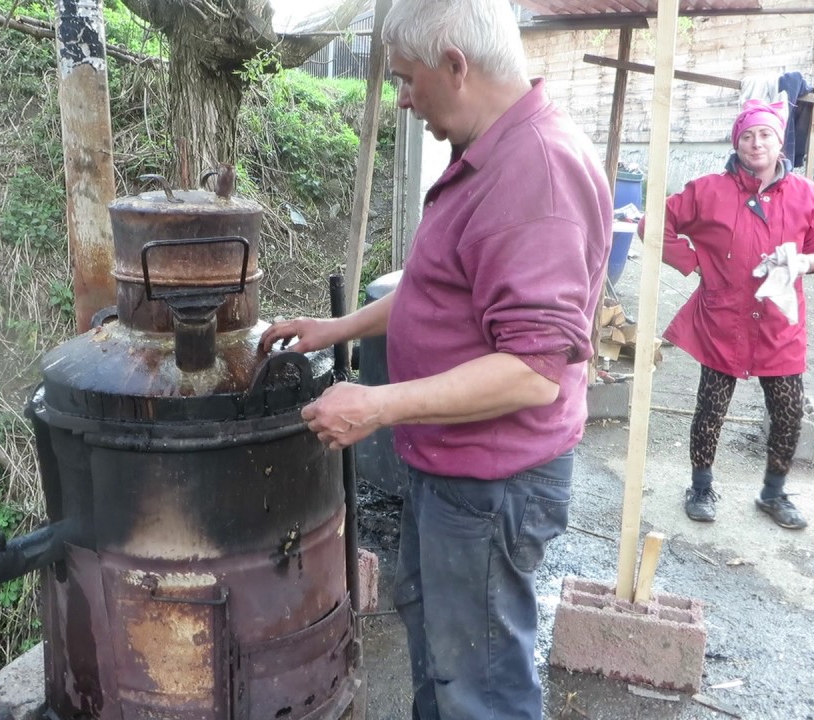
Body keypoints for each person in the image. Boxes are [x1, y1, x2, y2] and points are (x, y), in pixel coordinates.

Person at [258, 0, 611, 716]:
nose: (404, 98)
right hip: (453, 470)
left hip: (491, 486)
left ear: (456, 63)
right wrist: (334, 329)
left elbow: (532, 371)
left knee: (480, 685)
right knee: (449, 665)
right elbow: (436, 291)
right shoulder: (487, 154)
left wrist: (377, 404)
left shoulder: (534, 176)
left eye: (408, 80)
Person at [647, 98, 814, 530]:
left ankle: (773, 493)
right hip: (724, 319)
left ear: (779, 142)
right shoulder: (709, 191)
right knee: (711, 407)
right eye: (747, 136)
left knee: (788, 411)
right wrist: (693, 262)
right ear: (737, 143)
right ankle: (700, 486)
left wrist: (804, 263)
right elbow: (654, 222)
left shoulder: (806, 194)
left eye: (765, 134)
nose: (756, 144)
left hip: (779, 323)